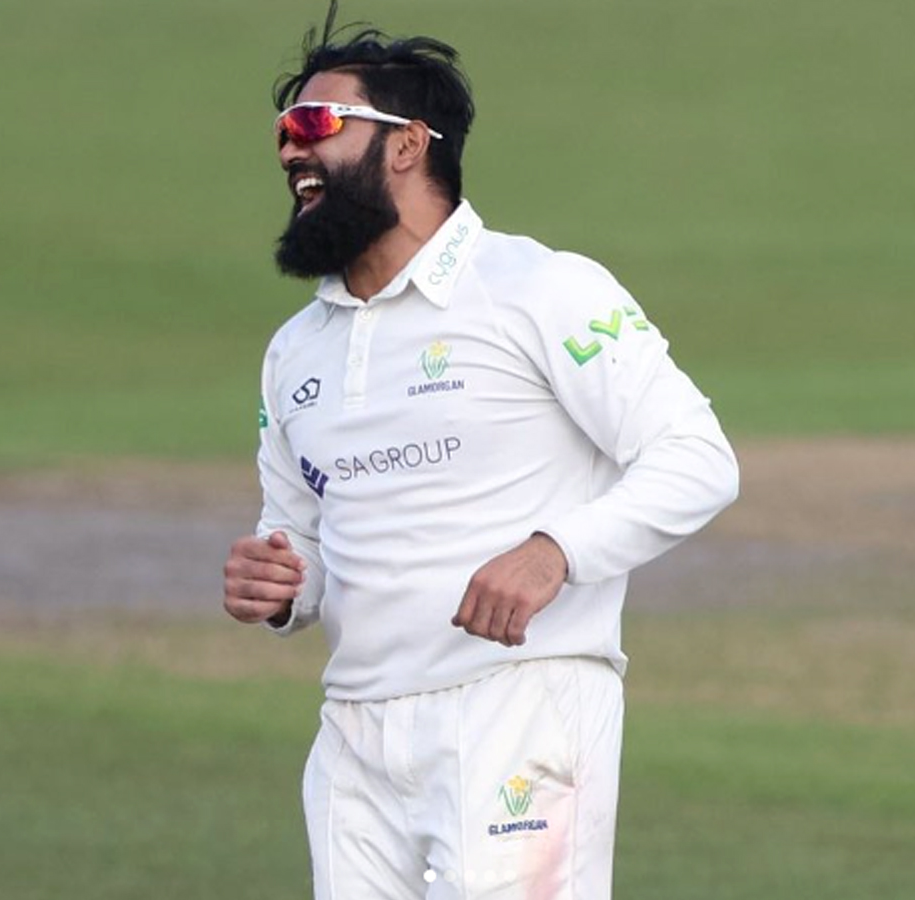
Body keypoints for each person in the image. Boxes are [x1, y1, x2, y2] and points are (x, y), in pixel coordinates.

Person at [222, 5, 738, 898]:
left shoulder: (541, 288)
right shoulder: (294, 350)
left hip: (520, 709)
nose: (290, 152)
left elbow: (698, 458)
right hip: (355, 728)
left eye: (316, 124)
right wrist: (276, 588)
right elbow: (298, 541)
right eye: (283, 131)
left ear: (409, 144)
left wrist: (554, 553)